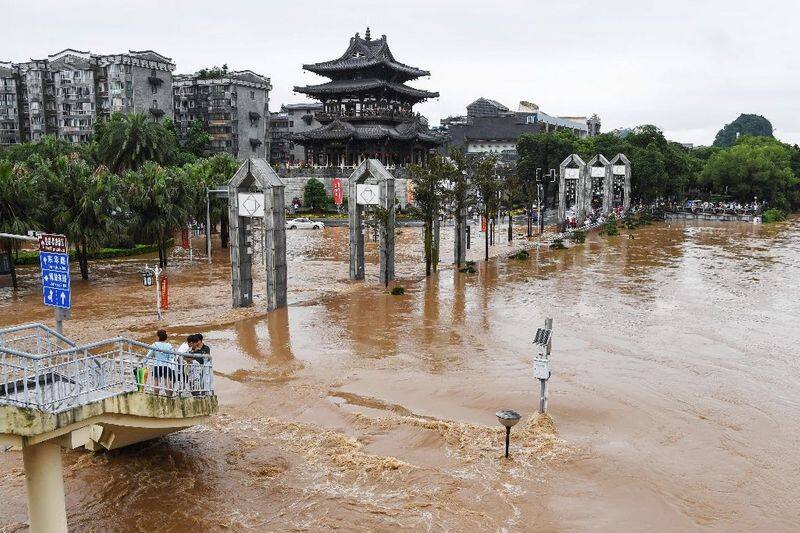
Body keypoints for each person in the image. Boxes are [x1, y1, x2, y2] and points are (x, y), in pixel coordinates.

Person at [146, 329, 175, 395]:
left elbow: (149, 355)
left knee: (156, 381)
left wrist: (144, 362)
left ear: (158, 336)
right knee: (167, 381)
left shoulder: (155, 344)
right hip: (166, 365)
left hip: (157, 365)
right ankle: (170, 396)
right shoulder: (169, 345)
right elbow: (171, 357)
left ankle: (156, 395)